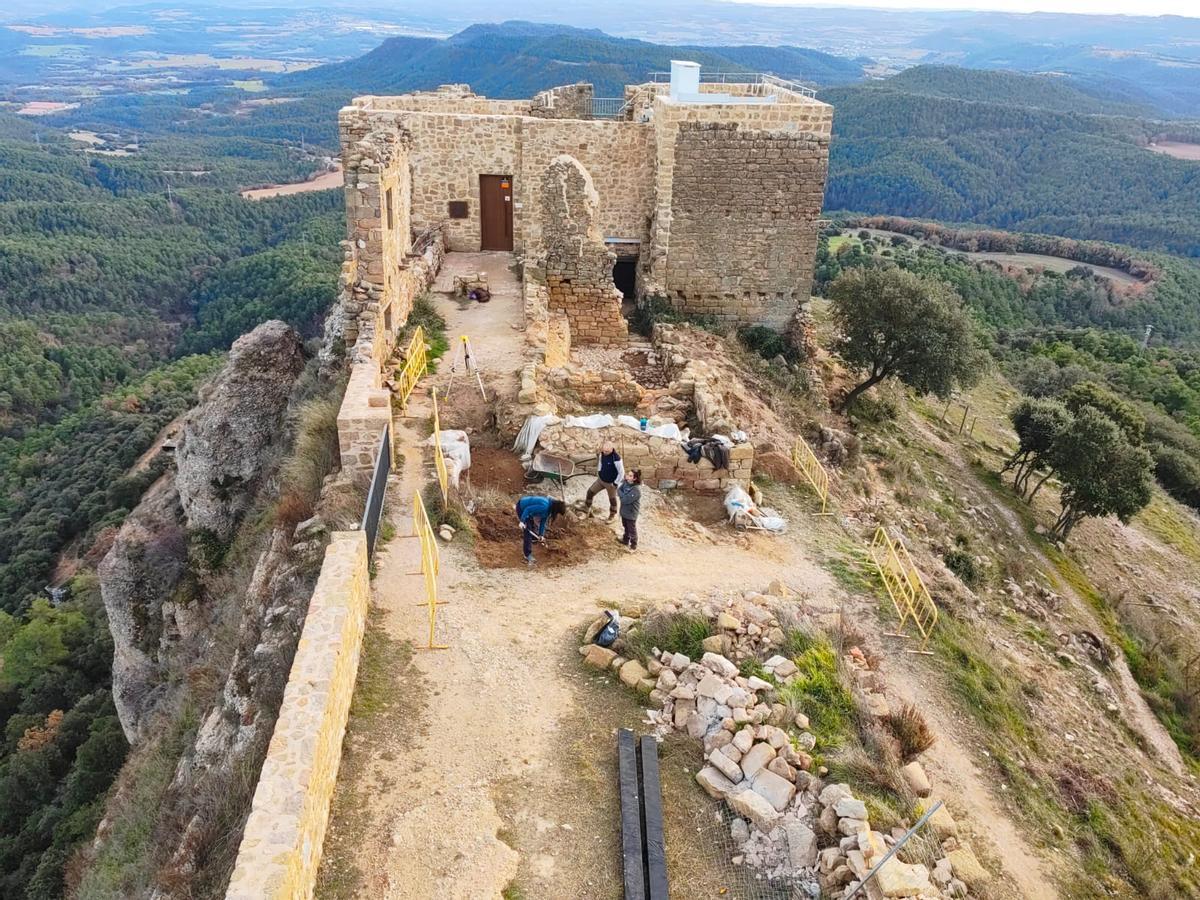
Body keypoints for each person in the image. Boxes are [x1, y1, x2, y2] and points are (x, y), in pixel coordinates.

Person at [515, 495, 566, 565]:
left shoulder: (548, 509)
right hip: (521, 507)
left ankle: (532, 540)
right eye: (557, 513)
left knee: (531, 526)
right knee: (528, 530)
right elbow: (528, 509)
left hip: (528, 510)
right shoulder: (544, 506)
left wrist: (541, 535)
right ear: (556, 509)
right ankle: (527, 555)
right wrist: (522, 521)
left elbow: (543, 522)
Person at [584, 441, 624, 520]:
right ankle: (587, 508)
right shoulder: (602, 454)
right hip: (601, 480)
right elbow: (600, 463)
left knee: (612, 500)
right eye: (604, 450)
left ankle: (612, 515)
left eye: (607, 451)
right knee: (590, 492)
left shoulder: (616, 459)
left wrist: (616, 483)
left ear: (612, 449)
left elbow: (621, 473)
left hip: (611, 484)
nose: (605, 452)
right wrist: (599, 472)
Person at [617, 469, 642, 552]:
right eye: (628, 474)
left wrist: (622, 496)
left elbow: (625, 500)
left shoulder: (636, 490)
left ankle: (633, 545)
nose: (627, 476)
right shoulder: (625, 483)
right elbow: (618, 490)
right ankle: (625, 540)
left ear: (634, 478)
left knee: (632, 529)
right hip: (624, 511)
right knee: (625, 526)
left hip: (631, 513)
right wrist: (623, 495)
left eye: (630, 476)